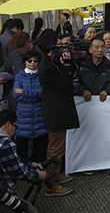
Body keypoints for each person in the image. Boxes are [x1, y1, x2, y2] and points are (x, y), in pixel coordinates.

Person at [37, 32, 76, 196]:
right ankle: (51, 184)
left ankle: (56, 175)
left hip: (59, 110)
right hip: (56, 111)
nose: (62, 44)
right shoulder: (46, 67)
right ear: (51, 45)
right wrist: (66, 67)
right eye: (59, 41)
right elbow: (66, 84)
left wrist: (67, 63)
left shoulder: (51, 62)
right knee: (55, 149)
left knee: (58, 146)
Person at [0, 110, 49, 211]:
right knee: (31, 210)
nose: (15, 131)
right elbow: (19, 172)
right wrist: (39, 175)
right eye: (16, 127)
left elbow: (9, 160)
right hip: (1, 192)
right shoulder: (5, 143)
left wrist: (30, 163)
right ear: (7, 125)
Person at [12, 50, 47, 164]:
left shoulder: (42, 75)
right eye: (29, 61)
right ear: (25, 62)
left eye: (35, 61)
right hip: (23, 117)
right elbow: (16, 95)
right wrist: (33, 94)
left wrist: (24, 92)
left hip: (40, 116)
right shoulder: (19, 76)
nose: (32, 63)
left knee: (40, 149)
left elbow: (42, 93)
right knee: (22, 149)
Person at [73, 36, 110, 103]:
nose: (100, 50)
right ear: (90, 50)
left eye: (102, 47)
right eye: (96, 47)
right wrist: (83, 91)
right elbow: (74, 81)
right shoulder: (81, 66)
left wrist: (107, 91)